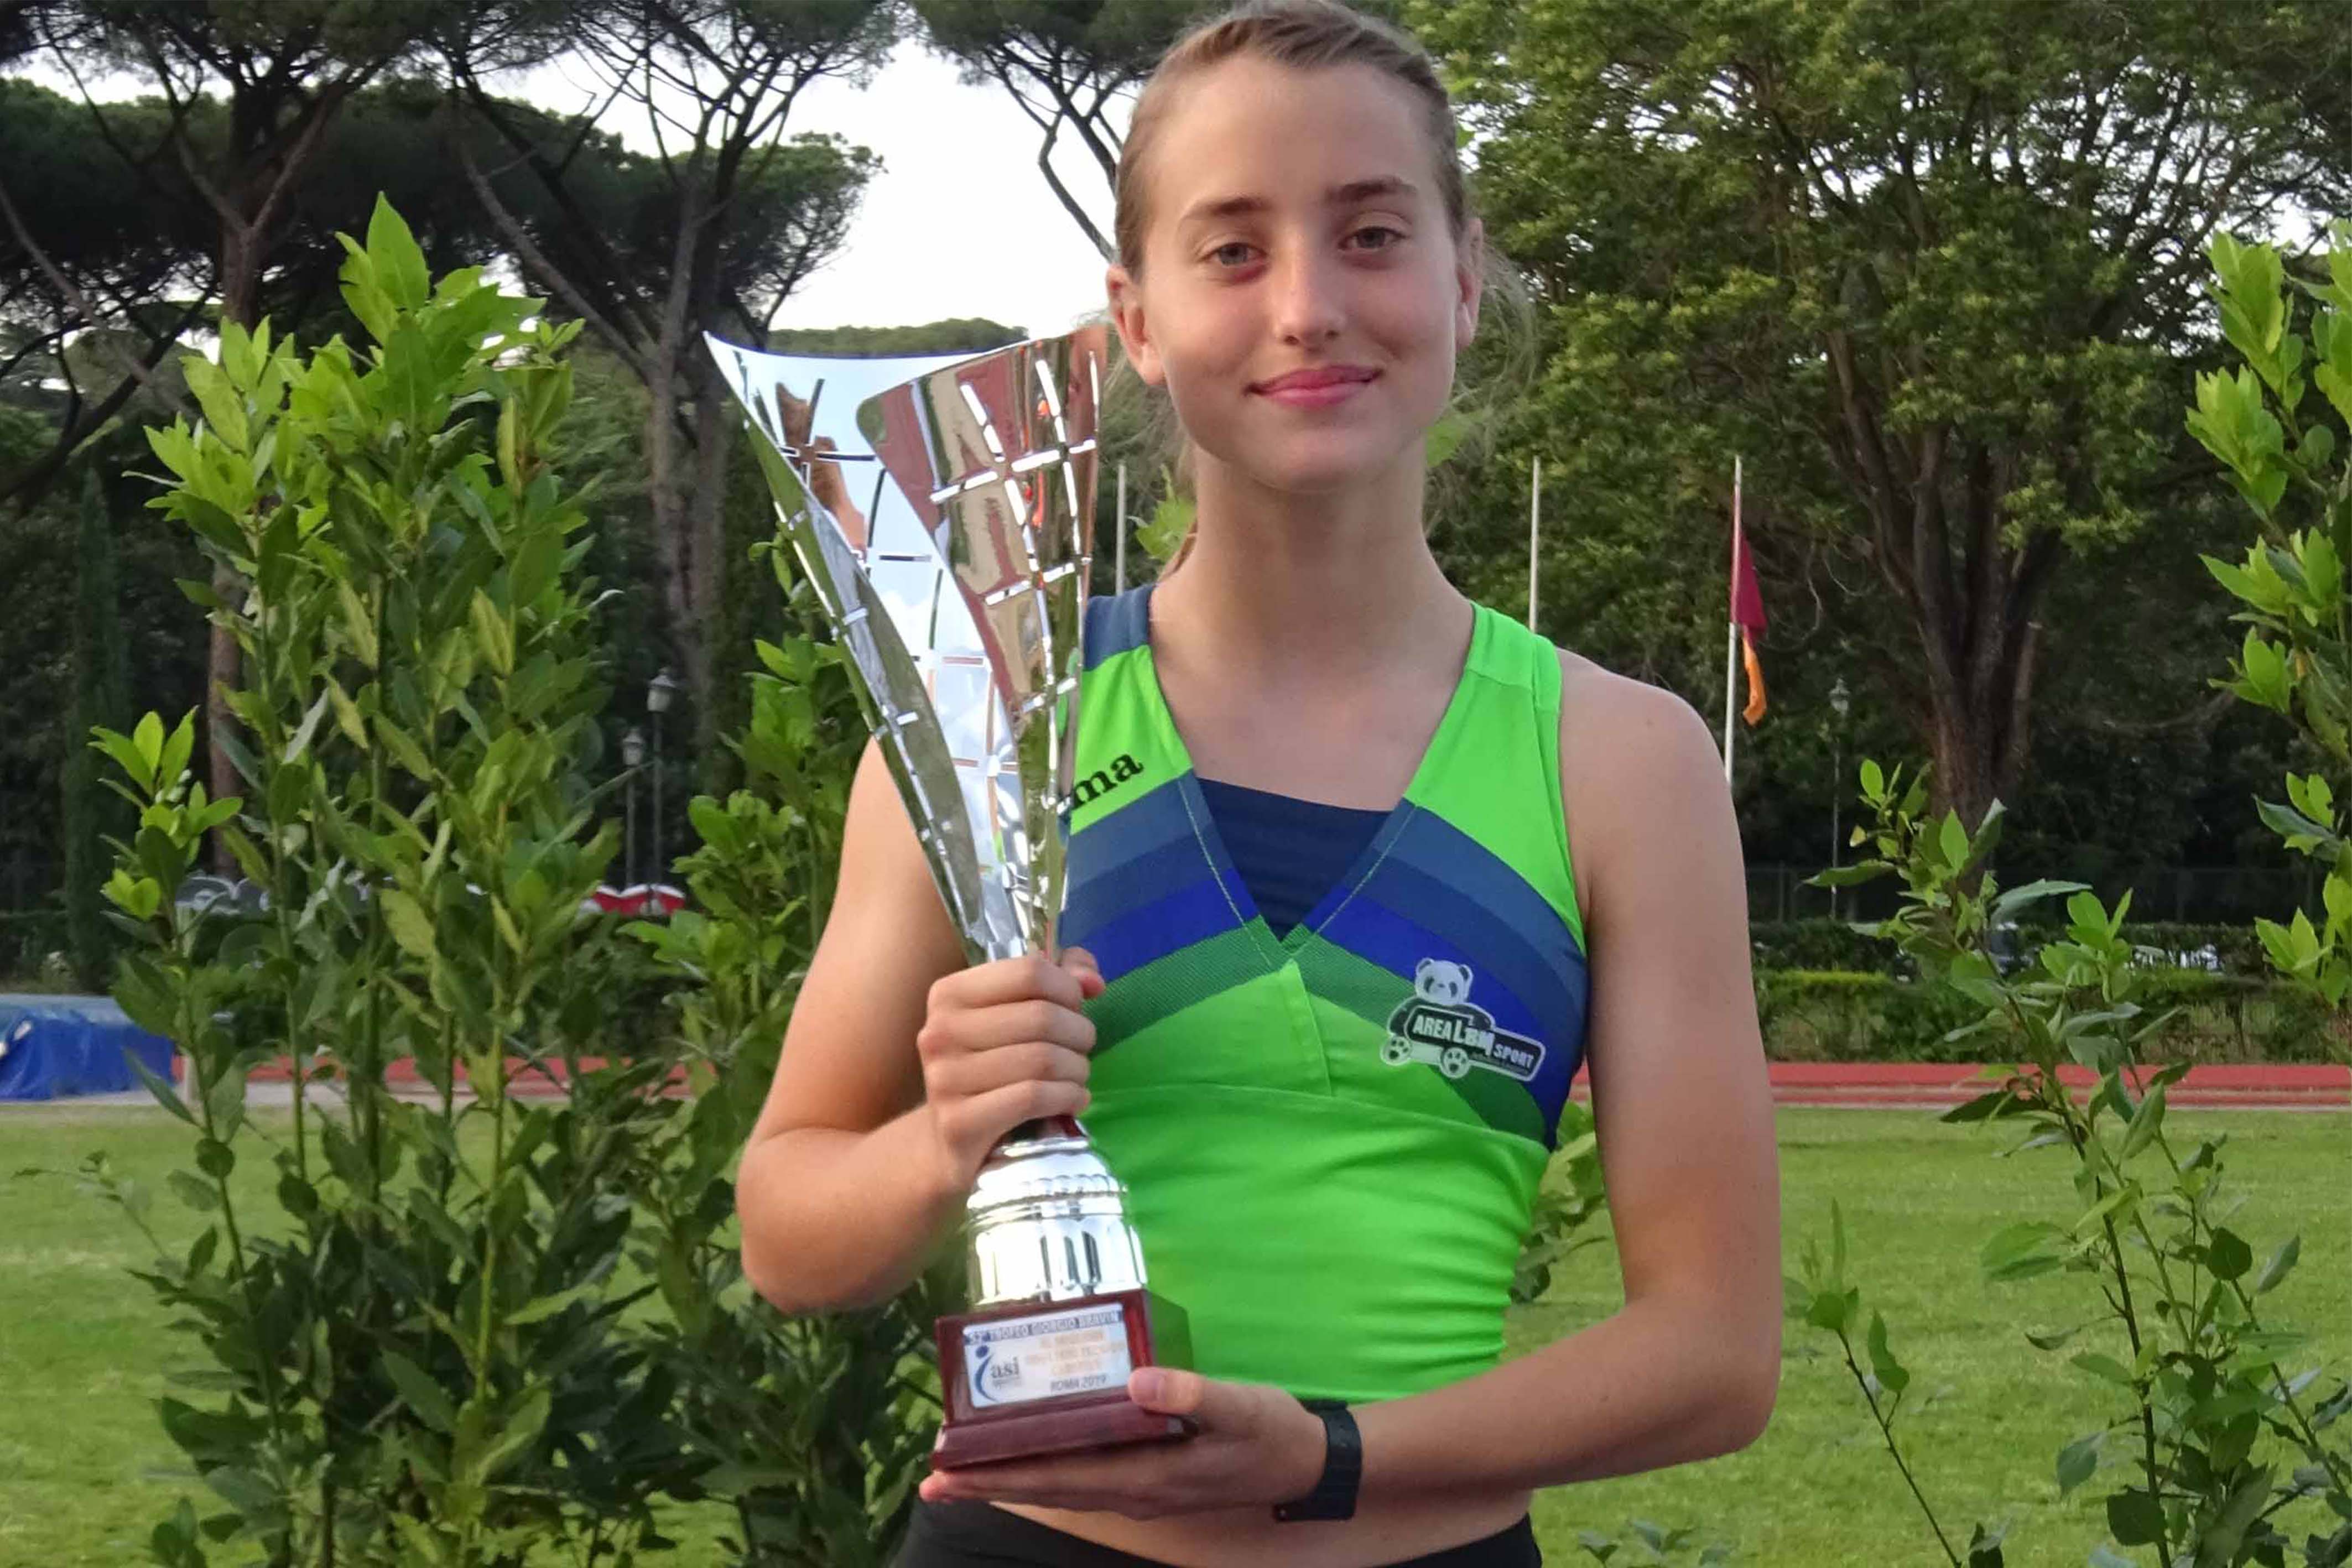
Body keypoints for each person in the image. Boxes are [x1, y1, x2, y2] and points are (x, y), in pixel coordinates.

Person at [733, 3, 1783, 1564]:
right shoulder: (994, 725)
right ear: (1137, 319)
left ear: (1462, 278)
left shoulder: (1621, 760)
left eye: (1371, 234)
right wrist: (944, 1136)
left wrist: (1329, 1456)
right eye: (1231, 250)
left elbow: (1713, 1350)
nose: (1308, 306)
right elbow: (788, 1232)